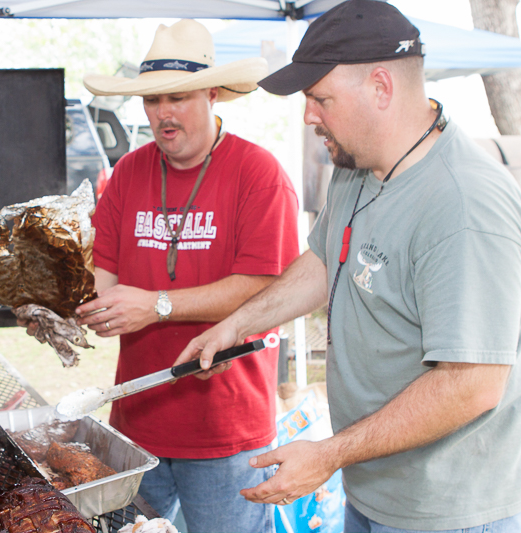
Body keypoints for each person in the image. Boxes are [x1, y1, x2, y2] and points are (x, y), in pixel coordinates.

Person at [175, 1, 521, 532]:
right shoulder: (356, 164)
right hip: (373, 488)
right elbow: (322, 261)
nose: (309, 115)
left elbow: (472, 382)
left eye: (320, 99)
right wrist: (237, 325)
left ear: (381, 88)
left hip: (447, 511)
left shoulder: (463, 205)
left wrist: (331, 453)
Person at [43, 19, 298, 533]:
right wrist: (60, 307)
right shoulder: (127, 174)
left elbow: (265, 287)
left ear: (212, 94)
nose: (163, 114)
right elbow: (104, 283)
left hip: (226, 431)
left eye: (176, 97)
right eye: (152, 101)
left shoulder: (258, 173)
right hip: (136, 426)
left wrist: (159, 304)